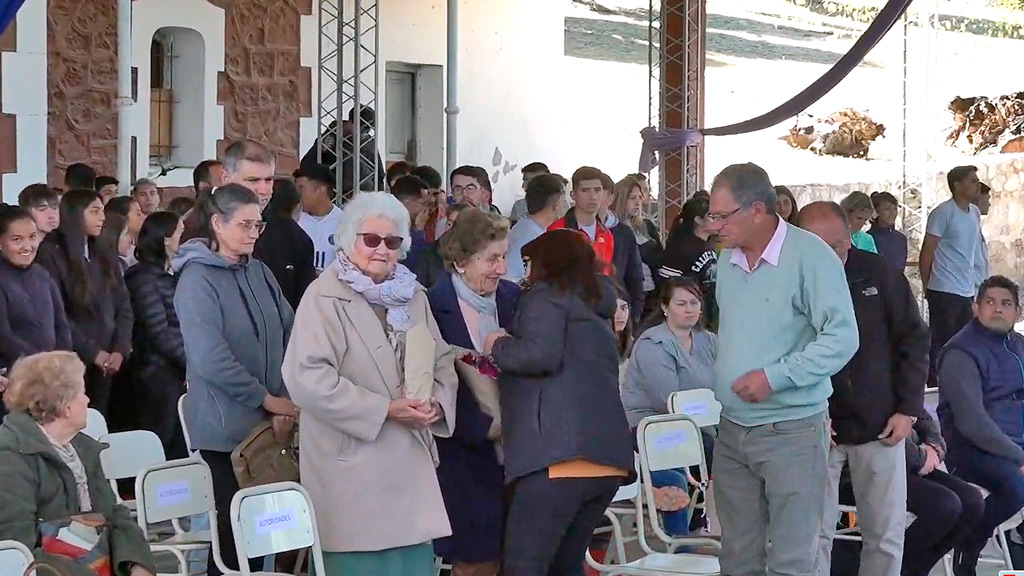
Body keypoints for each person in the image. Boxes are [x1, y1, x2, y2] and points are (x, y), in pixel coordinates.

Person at [282, 191, 457, 576]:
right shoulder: (322, 297)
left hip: (409, 470)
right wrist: (384, 410)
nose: (381, 249)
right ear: (348, 240)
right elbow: (306, 378)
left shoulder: (412, 296)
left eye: (392, 241)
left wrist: (437, 404)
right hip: (352, 471)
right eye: (371, 239)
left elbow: (442, 358)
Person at [706, 163, 859, 576]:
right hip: (732, 429)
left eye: (722, 216)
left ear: (757, 210)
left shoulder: (812, 256)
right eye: (711, 215)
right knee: (736, 558)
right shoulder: (726, 260)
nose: (712, 225)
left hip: (791, 431)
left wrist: (775, 377)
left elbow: (843, 338)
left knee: (793, 560)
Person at [483, 229, 634, 576]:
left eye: (528, 262)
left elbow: (539, 354)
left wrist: (496, 345)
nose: (524, 271)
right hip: (606, 462)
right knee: (565, 566)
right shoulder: (596, 310)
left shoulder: (546, 295)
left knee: (524, 567)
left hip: (558, 457)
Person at [798, 202, 929, 576]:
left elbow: (914, 340)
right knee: (810, 535)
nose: (829, 256)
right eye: (817, 246)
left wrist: (908, 409)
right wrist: (806, 411)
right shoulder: (787, 279)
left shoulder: (879, 274)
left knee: (885, 535)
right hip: (815, 424)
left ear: (851, 239)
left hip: (880, 422)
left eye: (837, 246)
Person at [173, 183, 296, 576]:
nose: (252, 234)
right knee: (231, 541)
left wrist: (285, 394)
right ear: (217, 224)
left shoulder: (258, 271)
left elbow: (290, 331)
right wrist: (266, 398)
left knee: (268, 534)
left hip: (270, 425)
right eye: (245, 225)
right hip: (225, 431)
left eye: (258, 226)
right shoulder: (197, 280)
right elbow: (209, 358)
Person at [0, 351, 157, 576]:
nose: (87, 399)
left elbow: (115, 516)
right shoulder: (9, 456)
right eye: (82, 392)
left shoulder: (84, 449)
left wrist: (137, 565)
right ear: (64, 405)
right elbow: (17, 548)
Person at [427, 208, 518, 576]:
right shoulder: (432, 306)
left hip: (517, 450)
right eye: (492, 259)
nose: (501, 269)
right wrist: (481, 427)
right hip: (463, 453)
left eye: (504, 258)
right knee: (475, 558)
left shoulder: (513, 299)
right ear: (462, 261)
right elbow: (428, 379)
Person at [937, 275, 1024, 575]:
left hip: (1015, 443)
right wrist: (1018, 457)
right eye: (990, 302)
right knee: (1017, 486)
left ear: (1017, 312)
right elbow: (971, 421)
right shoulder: (961, 352)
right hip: (971, 450)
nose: (998, 309)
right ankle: (969, 543)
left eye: (1006, 304)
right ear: (975, 308)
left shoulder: (1019, 346)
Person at [621, 277, 716, 536]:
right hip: (650, 430)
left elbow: (727, 383)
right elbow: (669, 399)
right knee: (706, 449)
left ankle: (701, 523)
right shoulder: (654, 344)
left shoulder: (708, 341)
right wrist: (712, 406)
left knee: (737, 447)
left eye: (694, 303)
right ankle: (680, 542)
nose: (689, 309)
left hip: (695, 428)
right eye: (681, 303)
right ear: (665, 307)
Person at [37, 190, 133, 419]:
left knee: (100, 422)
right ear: (74, 214)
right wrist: (93, 352)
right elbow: (57, 313)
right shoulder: (51, 254)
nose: (102, 218)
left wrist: (120, 349)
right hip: (74, 360)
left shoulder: (103, 252)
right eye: (95, 211)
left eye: (102, 211)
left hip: (109, 360)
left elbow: (123, 304)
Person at [124, 212, 188, 460]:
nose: (183, 239)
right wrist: (190, 361)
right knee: (160, 438)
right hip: (154, 372)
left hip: (172, 369)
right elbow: (158, 330)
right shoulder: (143, 279)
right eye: (180, 233)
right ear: (164, 239)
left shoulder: (168, 276)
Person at [223, 140, 316, 310]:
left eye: (268, 180)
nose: (263, 189)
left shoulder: (294, 239)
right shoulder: (195, 228)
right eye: (253, 180)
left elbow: (305, 309)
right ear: (226, 179)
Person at [0, 206, 72, 418]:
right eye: (17, 239)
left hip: (50, 381)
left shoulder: (42, 275)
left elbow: (61, 322)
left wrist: (62, 361)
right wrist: (42, 366)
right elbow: (4, 336)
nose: (27, 246)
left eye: (32, 237)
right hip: (14, 383)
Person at [920, 165, 983, 387]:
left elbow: (972, 251)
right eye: (972, 180)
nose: (977, 184)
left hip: (966, 288)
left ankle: (959, 381)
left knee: (965, 339)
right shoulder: (943, 212)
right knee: (942, 340)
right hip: (944, 288)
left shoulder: (975, 213)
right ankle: (935, 384)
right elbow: (927, 251)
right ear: (957, 185)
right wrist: (928, 287)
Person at [902, 410, 984, 576]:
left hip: (912, 464)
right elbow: (876, 429)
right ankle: (895, 566)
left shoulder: (906, 386)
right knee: (944, 505)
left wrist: (934, 447)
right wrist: (920, 458)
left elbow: (922, 414)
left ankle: (915, 570)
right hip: (874, 467)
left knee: (972, 501)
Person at [659, 194, 718, 331]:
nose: (716, 220)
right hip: (689, 316)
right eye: (711, 216)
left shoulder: (709, 244)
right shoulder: (681, 247)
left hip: (709, 313)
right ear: (698, 220)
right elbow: (666, 285)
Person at [612, 174, 663, 316]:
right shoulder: (612, 229)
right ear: (621, 199)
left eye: (640, 198)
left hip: (650, 292)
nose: (637, 203)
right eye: (632, 198)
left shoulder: (646, 226)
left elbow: (659, 259)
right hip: (627, 293)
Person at [505, 174, 566, 284]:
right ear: (555, 205)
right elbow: (512, 279)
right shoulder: (532, 237)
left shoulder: (526, 228)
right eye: (563, 200)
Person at [296, 164, 344, 273]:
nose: (297, 194)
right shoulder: (295, 220)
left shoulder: (343, 223)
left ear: (321, 190)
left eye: (301, 188)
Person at [392, 175, 432, 279]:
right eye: (423, 203)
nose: (426, 209)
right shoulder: (390, 229)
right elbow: (415, 266)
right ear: (406, 202)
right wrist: (418, 233)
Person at [867, 191, 908, 274]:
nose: (893, 213)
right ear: (875, 212)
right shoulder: (867, 238)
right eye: (887, 209)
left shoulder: (901, 239)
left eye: (895, 208)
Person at [972, 182, 990, 292]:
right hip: (971, 288)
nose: (989, 204)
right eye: (987, 199)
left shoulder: (976, 223)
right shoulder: (967, 225)